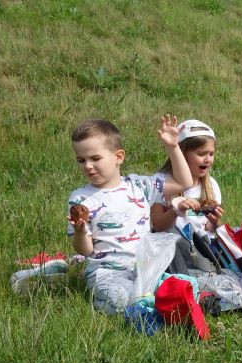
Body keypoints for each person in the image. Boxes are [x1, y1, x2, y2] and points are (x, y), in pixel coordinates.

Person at [67, 116, 191, 314]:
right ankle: (110, 305)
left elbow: (184, 183)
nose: (87, 166)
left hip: (145, 268)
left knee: (181, 292)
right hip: (106, 274)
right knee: (125, 302)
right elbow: (85, 250)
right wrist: (80, 232)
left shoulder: (139, 186)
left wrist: (173, 147)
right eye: (81, 160)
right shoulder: (81, 199)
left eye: (95, 158)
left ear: (119, 157)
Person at [150, 119, 223, 273]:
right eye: (201, 154)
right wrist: (176, 210)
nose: (208, 159)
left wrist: (215, 223)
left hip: (200, 250)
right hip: (169, 251)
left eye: (211, 154)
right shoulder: (162, 182)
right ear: (182, 154)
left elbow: (207, 229)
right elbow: (157, 225)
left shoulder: (211, 185)